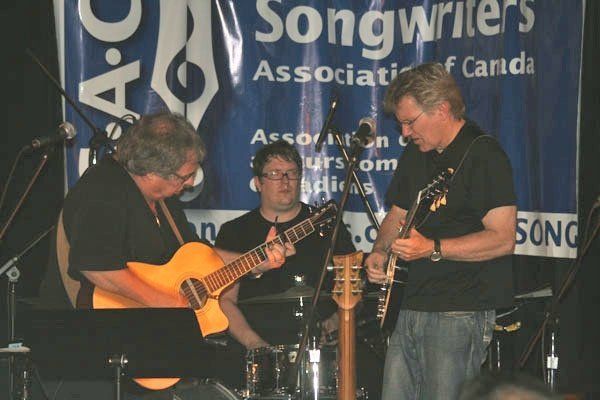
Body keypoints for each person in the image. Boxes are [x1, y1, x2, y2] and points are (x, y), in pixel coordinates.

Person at [53, 111, 293, 399]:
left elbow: (200, 257)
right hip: (92, 357)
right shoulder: (103, 189)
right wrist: (167, 305)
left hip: (149, 348)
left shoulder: (163, 201)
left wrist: (257, 262)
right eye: (185, 176)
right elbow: (97, 267)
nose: (190, 183)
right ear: (151, 172)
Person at [365, 62, 517, 400]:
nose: (405, 133)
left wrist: (432, 247)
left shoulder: (483, 154)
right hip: (407, 303)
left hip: (458, 308)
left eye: (410, 122)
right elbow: (397, 214)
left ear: (442, 109)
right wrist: (379, 251)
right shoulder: (416, 154)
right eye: (401, 124)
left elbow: (503, 239)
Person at [215, 140, 356, 387]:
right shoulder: (234, 232)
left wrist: (336, 322)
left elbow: (353, 285)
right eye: (274, 174)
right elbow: (225, 300)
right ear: (258, 183)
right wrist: (255, 345)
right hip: (256, 351)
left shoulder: (327, 225)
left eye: (291, 173)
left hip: (319, 350)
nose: (285, 181)